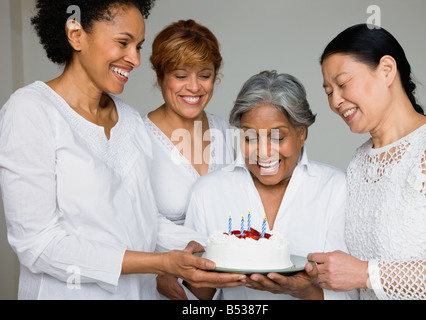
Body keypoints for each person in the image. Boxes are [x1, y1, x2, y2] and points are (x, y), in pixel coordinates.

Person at [0, 0, 244, 300]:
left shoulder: (128, 119)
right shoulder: (31, 110)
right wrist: (160, 263)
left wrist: (220, 251)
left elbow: (143, 220)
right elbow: (37, 246)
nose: (135, 59)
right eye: (123, 42)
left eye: (138, 46)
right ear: (76, 34)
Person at [183, 70, 357, 300]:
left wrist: (303, 290)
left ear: (301, 133)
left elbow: (351, 294)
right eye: (249, 138)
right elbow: (195, 300)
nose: (263, 153)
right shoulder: (208, 192)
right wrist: (194, 274)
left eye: (278, 137)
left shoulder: (335, 188)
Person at [307, 23, 426, 300]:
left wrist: (365, 274)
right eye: (328, 91)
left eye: (343, 83)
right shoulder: (359, 161)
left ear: (386, 70)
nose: (336, 100)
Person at [143, 20, 234, 300]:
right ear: (160, 77)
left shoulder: (228, 133)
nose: (194, 87)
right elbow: (138, 220)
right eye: (181, 75)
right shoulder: (137, 137)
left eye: (204, 75)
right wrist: (210, 251)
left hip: (228, 284)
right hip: (164, 284)